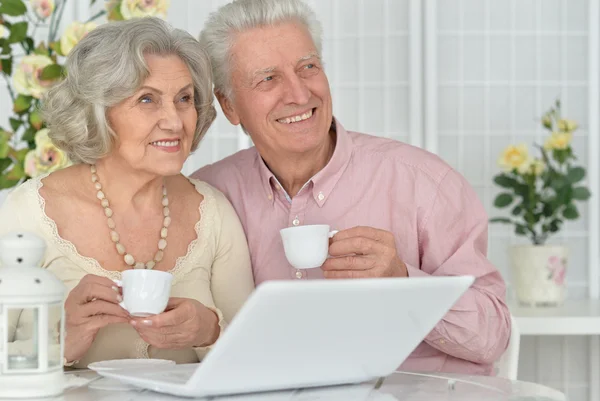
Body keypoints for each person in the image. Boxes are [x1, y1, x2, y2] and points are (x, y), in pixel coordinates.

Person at [192, 0, 510, 375]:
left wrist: (402, 281)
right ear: (229, 106)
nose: (298, 94)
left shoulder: (424, 183)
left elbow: (493, 336)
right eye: (268, 78)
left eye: (307, 67)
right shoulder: (208, 196)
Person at [0, 17, 254, 368]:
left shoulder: (212, 212)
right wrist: (61, 343)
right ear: (98, 112)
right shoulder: (26, 214)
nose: (175, 121)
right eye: (147, 100)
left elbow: (254, 359)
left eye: (184, 99)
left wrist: (211, 332)